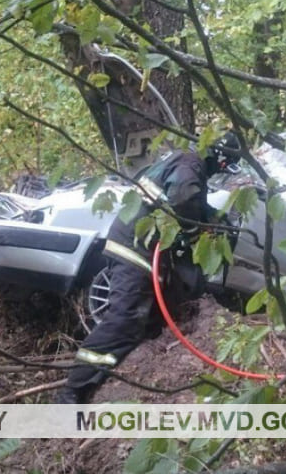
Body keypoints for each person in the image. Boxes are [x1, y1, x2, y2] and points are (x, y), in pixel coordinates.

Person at [55, 132, 241, 404]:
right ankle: (72, 392)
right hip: (135, 248)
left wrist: (214, 218)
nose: (221, 171)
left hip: (141, 244)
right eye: (224, 166)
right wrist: (194, 231)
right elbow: (182, 198)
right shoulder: (192, 162)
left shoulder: (183, 160)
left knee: (154, 319)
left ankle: (120, 379)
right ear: (220, 156)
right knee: (125, 318)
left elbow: (190, 201)